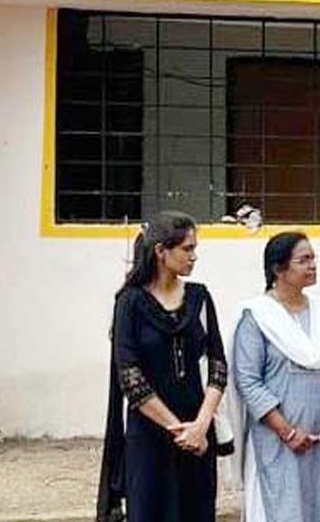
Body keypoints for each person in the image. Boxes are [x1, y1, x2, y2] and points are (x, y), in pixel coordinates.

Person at [96, 211, 227, 522]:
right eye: (187, 248)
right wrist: (179, 430)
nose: (194, 256)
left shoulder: (199, 298)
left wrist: (200, 425)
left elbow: (218, 365)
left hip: (198, 432)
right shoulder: (130, 303)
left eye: (195, 248)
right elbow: (131, 378)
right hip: (150, 435)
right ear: (160, 251)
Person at [230, 231, 320, 522]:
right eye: (303, 260)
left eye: (313, 258)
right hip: (278, 438)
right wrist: (286, 431)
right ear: (278, 269)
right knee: (282, 506)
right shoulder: (257, 316)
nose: (313, 265)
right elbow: (248, 380)